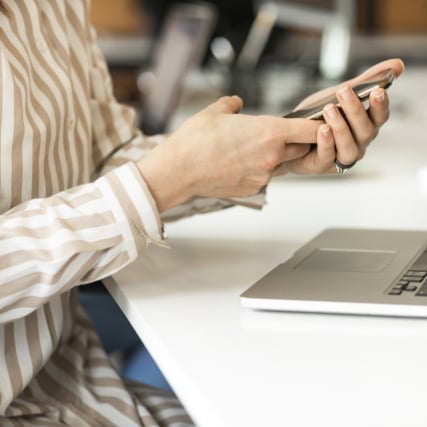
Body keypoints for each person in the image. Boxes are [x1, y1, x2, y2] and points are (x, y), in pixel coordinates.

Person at [0, 1, 404, 425]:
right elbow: (147, 182)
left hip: (71, 385)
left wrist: (276, 146)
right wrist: (165, 180)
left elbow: (106, 158)